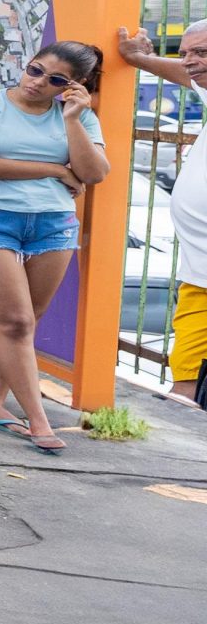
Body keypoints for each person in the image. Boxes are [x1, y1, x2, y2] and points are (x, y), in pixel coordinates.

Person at [0, 41, 108, 452]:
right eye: (35, 70)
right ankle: (39, 421)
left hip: (53, 223)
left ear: (74, 86)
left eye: (55, 80)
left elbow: (93, 173)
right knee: (16, 322)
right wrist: (54, 169)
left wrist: (73, 119)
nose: (38, 82)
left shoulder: (78, 116)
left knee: (23, 321)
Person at [116, 24, 207, 401]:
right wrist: (138, 58)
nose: (189, 62)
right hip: (199, 279)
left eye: (201, 52)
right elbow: (185, 75)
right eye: (184, 53)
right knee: (185, 384)